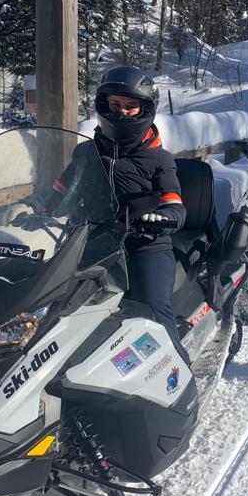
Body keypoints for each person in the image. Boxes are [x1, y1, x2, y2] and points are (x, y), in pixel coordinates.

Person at [92, 66, 187, 339]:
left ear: (144, 110)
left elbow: (174, 202)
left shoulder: (159, 158)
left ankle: (179, 376)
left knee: (153, 311)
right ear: (103, 105)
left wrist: (163, 218)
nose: (122, 111)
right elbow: (60, 192)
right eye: (116, 104)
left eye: (131, 106)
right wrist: (33, 209)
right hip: (95, 245)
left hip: (146, 245)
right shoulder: (86, 153)